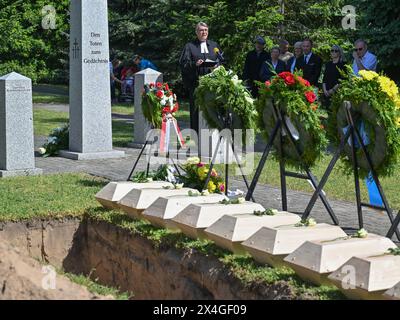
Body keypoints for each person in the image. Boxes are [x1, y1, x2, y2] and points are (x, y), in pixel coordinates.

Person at [179, 22, 223, 134]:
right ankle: (196, 136)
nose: (204, 32)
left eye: (206, 30)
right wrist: (195, 64)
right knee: (196, 111)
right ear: (196, 32)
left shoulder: (214, 45)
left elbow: (221, 60)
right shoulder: (190, 46)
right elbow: (183, 63)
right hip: (196, 84)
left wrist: (217, 65)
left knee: (213, 109)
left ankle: (214, 135)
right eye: (201, 30)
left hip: (212, 84)